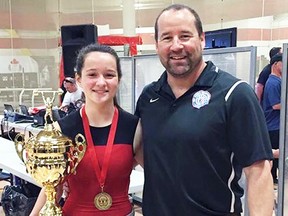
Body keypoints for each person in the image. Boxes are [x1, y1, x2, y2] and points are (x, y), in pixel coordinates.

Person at [135, 4, 274, 216]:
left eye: (184, 36)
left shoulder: (235, 94)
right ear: (156, 45)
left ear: (201, 38)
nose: (176, 46)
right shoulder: (148, 97)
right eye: (167, 38)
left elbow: (259, 172)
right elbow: (144, 154)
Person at [30, 44, 143, 216]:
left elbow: (157, 176)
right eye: (92, 74)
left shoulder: (134, 127)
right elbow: (53, 189)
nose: (101, 82)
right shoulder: (60, 130)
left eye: (109, 75)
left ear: (118, 80)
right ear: (79, 79)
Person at [262, 53, 283, 185]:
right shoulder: (272, 83)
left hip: (277, 125)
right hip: (273, 126)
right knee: (273, 155)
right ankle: (271, 179)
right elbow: (275, 105)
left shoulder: (278, 81)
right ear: (275, 64)